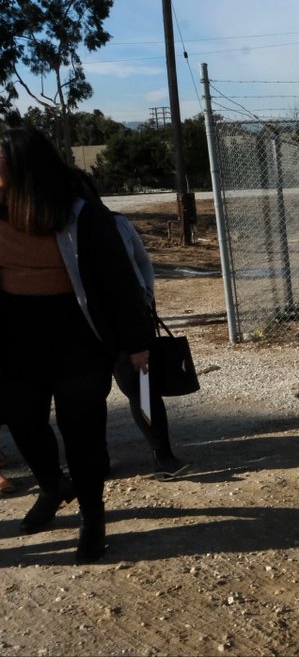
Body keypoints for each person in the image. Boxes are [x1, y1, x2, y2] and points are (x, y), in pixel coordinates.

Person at [0, 127, 153, 562]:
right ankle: (53, 486)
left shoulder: (82, 215)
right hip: (16, 343)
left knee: (83, 434)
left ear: (23, 168)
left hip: (78, 341)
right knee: (23, 421)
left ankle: (93, 517)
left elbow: (121, 283)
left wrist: (138, 343)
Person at [73, 170, 190, 480]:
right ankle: (96, 460)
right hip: (84, 327)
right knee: (86, 397)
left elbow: (142, 261)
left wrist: (146, 296)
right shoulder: (56, 233)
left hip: (126, 322)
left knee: (141, 388)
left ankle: (163, 455)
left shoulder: (116, 223)